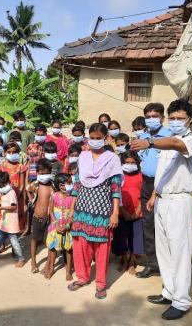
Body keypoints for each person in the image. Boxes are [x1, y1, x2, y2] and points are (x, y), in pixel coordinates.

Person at [130, 99, 192, 321]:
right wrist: (154, 195)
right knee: (164, 250)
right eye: (173, 118)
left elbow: (178, 146)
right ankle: (169, 292)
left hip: (179, 201)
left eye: (180, 118)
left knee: (179, 252)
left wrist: (150, 143)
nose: (176, 122)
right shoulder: (164, 142)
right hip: (162, 199)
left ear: (190, 119)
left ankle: (181, 302)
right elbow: (162, 171)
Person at [67, 122, 121, 300]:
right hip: (82, 208)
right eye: (93, 138)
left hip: (102, 210)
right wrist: (72, 209)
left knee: (102, 248)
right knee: (80, 245)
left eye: (99, 138)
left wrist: (115, 213)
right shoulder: (83, 157)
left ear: (105, 139)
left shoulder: (112, 159)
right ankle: (82, 277)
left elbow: (115, 188)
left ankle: (100, 284)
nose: (95, 141)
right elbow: (76, 184)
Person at [135, 102, 173, 279]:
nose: (151, 119)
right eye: (148, 116)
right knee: (148, 225)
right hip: (146, 183)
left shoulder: (168, 136)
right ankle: (153, 264)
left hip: (163, 184)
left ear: (162, 118)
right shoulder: (141, 136)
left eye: (155, 116)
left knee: (165, 225)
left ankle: (169, 264)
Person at [112, 151, 144, 275]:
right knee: (121, 238)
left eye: (133, 162)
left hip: (137, 213)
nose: (130, 165)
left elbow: (143, 194)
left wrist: (138, 210)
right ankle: (124, 260)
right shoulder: (118, 176)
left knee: (135, 238)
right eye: (127, 162)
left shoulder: (141, 176)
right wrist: (122, 211)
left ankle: (132, 262)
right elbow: (115, 195)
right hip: (120, 213)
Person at [0, 172, 25, 267]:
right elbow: (4, 202)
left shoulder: (11, 193)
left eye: (1, 185)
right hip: (4, 223)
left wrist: (1, 208)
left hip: (11, 224)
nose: (0, 186)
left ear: (7, 182)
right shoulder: (5, 193)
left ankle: (21, 259)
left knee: (15, 243)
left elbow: (13, 207)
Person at [45, 173, 75, 280]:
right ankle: (51, 268)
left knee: (68, 249)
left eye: (71, 182)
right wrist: (56, 224)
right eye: (68, 183)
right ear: (61, 185)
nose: (70, 184)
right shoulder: (54, 196)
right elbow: (51, 211)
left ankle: (68, 272)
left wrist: (67, 225)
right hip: (55, 225)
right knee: (53, 247)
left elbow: (72, 213)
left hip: (67, 226)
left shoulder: (73, 197)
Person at [27, 158, 54, 274]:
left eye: (46, 173)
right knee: (34, 239)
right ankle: (33, 261)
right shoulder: (35, 185)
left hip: (49, 219)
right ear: (37, 173)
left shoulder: (53, 186)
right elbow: (28, 189)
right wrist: (31, 201)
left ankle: (48, 264)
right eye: (41, 173)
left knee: (49, 241)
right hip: (37, 217)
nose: (44, 175)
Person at [0, 142, 27, 232]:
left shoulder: (20, 167)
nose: (11, 154)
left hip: (17, 198)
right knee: (3, 220)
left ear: (18, 153)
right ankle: (2, 245)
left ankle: (15, 244)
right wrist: (2, 196)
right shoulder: (1, 166)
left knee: (15, 222)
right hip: (2, 197)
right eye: (9, 152)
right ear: (5, 153)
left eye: (14, 152)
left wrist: (16, 198)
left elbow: (22, 185)